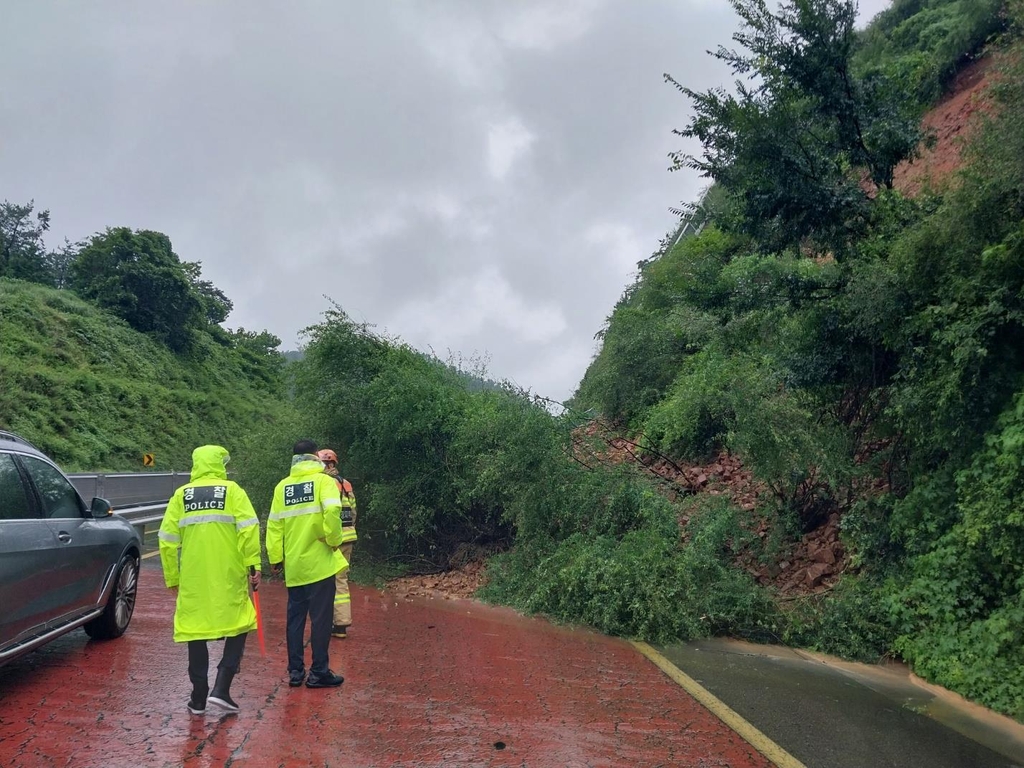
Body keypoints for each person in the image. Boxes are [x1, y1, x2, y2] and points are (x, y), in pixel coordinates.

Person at [158, 445, 262, 715]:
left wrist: (172, 576)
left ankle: (199, 696)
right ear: (220, 465)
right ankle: (222, 688)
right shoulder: (233, 491)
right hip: (229, 573)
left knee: (195, 629)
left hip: (193, 576)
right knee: (240, 622)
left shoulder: (181, 495)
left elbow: (167, 540)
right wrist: (253, 565)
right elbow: (249, 529)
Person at [266, 439, 346, 689]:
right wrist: (334, 540)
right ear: (315, 457)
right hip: (320, 563)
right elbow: (333, 513)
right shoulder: (324, 482)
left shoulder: (283, 487)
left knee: (295, 620)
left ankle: (295, 672)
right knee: (321, 621)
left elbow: (274, 525)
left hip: (295, 566)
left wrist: (276, 558)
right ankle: (319, 672)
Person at [317, 449, 358, 639]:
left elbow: (326, 513)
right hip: (349, 536)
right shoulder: (345, 483)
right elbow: (354, 511)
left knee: (326, 581)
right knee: (341, 579)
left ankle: (326, 623)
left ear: (328, 465)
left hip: (333, 539)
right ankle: (341, 625)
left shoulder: (324, 484)